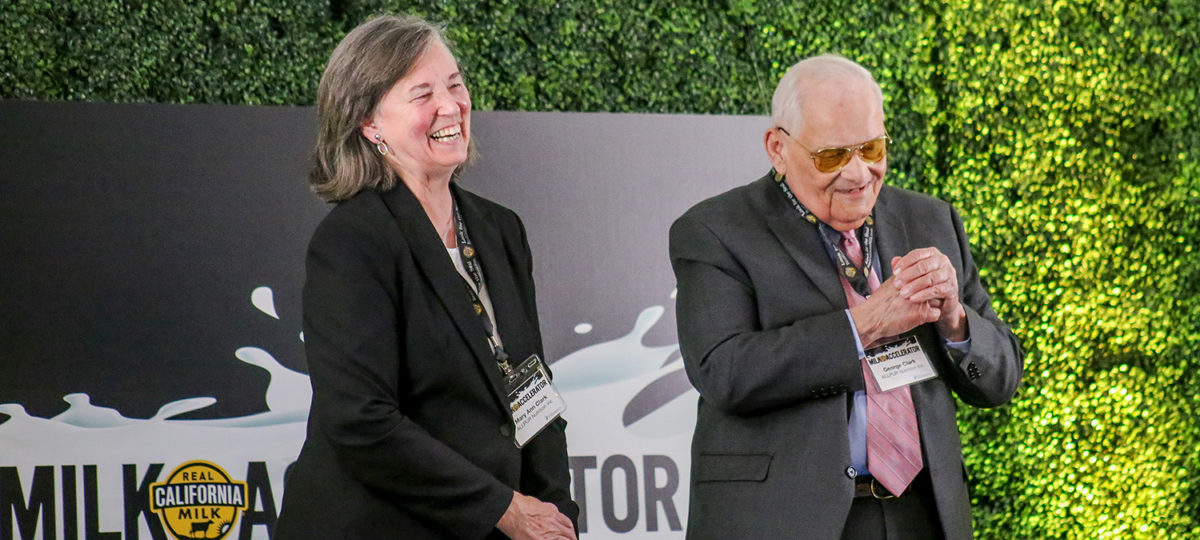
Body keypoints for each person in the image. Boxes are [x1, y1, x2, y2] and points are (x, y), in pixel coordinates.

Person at [668, 54, 1024, 539]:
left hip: (921, 513)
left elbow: (1000, 379)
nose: (858, 174)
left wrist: (955, 321)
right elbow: (725, 372)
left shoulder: (931, 219)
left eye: (872, 148)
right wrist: (865, 324)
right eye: (832, 156)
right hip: (784, 519)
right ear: (778, 148)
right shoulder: (715, 231)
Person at [275, 15, 577, 539]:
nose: (451, 105)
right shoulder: (353, 240)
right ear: (369, 123)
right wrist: (507, 510)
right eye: (423, 94)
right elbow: (360, 420)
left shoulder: (499, 229)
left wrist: (557, 513)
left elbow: (529, 383)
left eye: (456, 84)